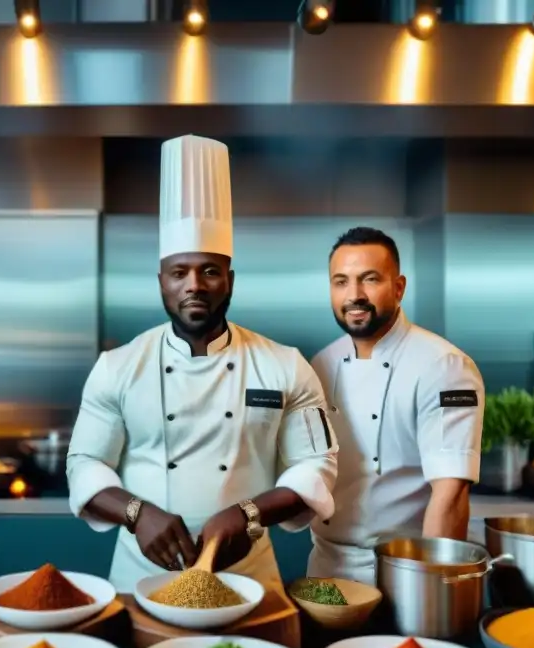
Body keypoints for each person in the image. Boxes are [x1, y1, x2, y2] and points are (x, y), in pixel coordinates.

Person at [67, 135, 338, 594]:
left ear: (229, 280)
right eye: (179, 273)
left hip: (248, 579)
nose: (194, 285)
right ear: (161, 283)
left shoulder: (284, 366)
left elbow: (315, 466)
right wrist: (137, 513)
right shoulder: (117, 367)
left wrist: (249, 514)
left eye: (210, 271)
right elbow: (84, 463)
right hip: (141, 580)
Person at [309, 226, 485, 583]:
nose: (354, 295)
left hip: (402, 570)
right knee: (321, 641)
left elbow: (450, 496)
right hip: (324, 569)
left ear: (399, 287)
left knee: (394, 643)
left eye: (369, 279)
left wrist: (431, 589)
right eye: (341, 282)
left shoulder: (442, 365)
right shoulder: (320, 365)